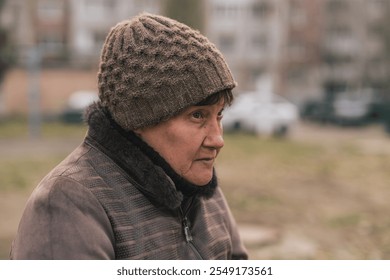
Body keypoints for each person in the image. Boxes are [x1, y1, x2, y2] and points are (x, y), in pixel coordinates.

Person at [10, 13, 248, 260]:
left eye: (219, 115)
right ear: (139, 119)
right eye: (198, 116)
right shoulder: (68, 204)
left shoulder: (201, 188)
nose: (218, 139)